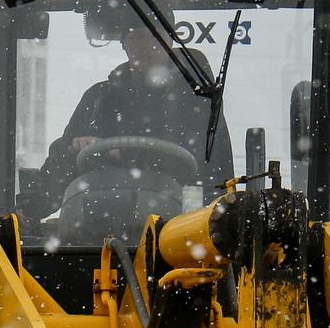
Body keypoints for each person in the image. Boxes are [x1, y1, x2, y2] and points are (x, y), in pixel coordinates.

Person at [33, 18, 233, 210]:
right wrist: (71, 151)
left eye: (154, 37)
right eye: (135, 37)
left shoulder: (198, 99)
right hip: (97, 225)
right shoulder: (98, 98)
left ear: (169, 42)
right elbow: (62, 160)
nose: (145, 46)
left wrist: (122, 153)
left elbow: (197, 162)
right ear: (124, 45)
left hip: (180, 227)